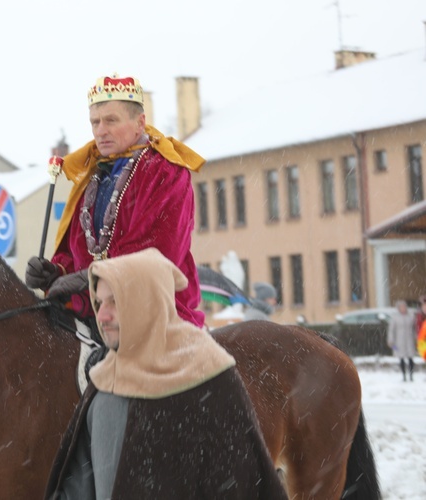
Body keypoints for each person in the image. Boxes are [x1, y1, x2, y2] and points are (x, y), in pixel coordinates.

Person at [45, 249, 287, 499]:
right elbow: (78, 490)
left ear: (146, 301)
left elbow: (244, 487)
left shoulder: (208, 378)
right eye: (99, 302)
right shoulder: (104, 382)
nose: (102, 315)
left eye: (115, 302)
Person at [26, 74, 206, 332]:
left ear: (140, 123)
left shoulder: (166, 172)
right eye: (95, 122)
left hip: (154, 315)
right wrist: (55, 272)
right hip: (93, 313)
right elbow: (77, 251)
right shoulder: (92, 177)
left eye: (111, 120)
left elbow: (158, 253)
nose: (101, 130)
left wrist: (89, 276)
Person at [387, 299, 417, 382]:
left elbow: (414, 328)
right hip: (399, 341)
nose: (403, 308)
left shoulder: (411, 316)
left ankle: (411, 375)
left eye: (404, 306)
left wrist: (416, 338)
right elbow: (391, 330)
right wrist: (391, 340)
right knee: (401, 358)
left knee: (410, 358)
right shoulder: (395, 317)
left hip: (409, 340)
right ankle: (404, 375)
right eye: (401, 307)